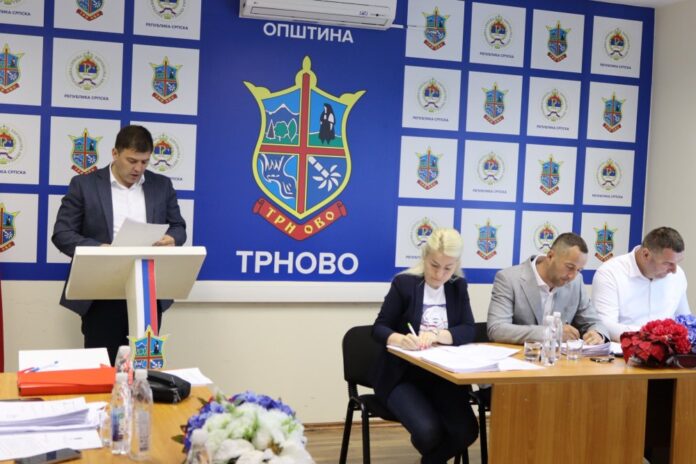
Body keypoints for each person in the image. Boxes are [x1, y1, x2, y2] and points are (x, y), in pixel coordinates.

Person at [52, 125, 186, 364]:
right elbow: (62, 233)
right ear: (115, 153)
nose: (138, 169)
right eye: (132, 160)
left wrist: (172, 238)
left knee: (145, 366)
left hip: (147, 290)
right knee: (102, 367)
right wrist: (99, 250)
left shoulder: (162, 185)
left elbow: (179, 227)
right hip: (101, 292)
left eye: (144, 162)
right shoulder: (84, 185)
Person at [371, 228, 479, 464]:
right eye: (434, 265)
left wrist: (439, 335)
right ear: (424, 257)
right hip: (403, 376)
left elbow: (468, 329)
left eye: (448, 268)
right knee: (429, 432)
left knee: (467, 431)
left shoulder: (457, 286)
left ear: (456, 265)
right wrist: (400, 339)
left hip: (444, 375)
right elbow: (379, 328)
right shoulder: (404, 284)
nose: (439, 274)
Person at [487, 232, 608, 345]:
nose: (572, 276)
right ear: (550, 256)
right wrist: (551, 333)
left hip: (560, 359)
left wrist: (597, 334)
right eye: (570, 267)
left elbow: (594, 322)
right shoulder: (509, 279)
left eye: (579, 270)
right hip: (521, 356)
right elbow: (497, 329)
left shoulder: (576, 282)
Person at [592, 226, 690, 342]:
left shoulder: (678, 275)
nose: (674, 270)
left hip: (668, 349)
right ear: (646, 254)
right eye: (667, 263)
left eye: (677, 263)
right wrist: (651, 336)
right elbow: (605, 325)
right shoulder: (610, 273)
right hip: (624, 349)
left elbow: (685, 320)